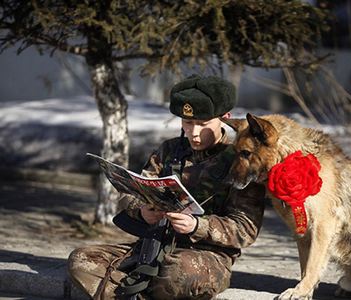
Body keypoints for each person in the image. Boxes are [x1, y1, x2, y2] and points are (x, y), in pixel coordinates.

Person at [67, 75, 266, 299]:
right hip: (153, 245)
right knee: (81, 260)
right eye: (188, 123)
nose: (195, 133)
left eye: (203, 123)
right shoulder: (169, 151)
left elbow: (245, 229)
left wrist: (196, 226)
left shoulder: (241, 161)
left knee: (179, 272)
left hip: (206, 256)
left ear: (225, 118)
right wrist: (142, 212)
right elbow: (131, 193)